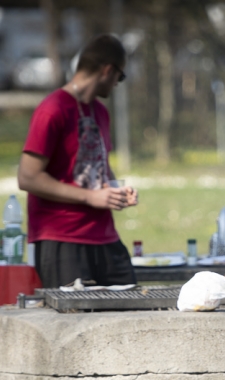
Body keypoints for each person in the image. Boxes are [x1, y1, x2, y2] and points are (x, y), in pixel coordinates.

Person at [18, 34, 138, 288]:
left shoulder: (101, 112)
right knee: (74, 323)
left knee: (132, 310)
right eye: (121, 76)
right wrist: (89, 197)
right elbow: (28, 177)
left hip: (104, 237)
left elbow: (97, 165)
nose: (118, 84)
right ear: (107, 70)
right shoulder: (52, 109)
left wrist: (115, 189)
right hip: (62, 238)